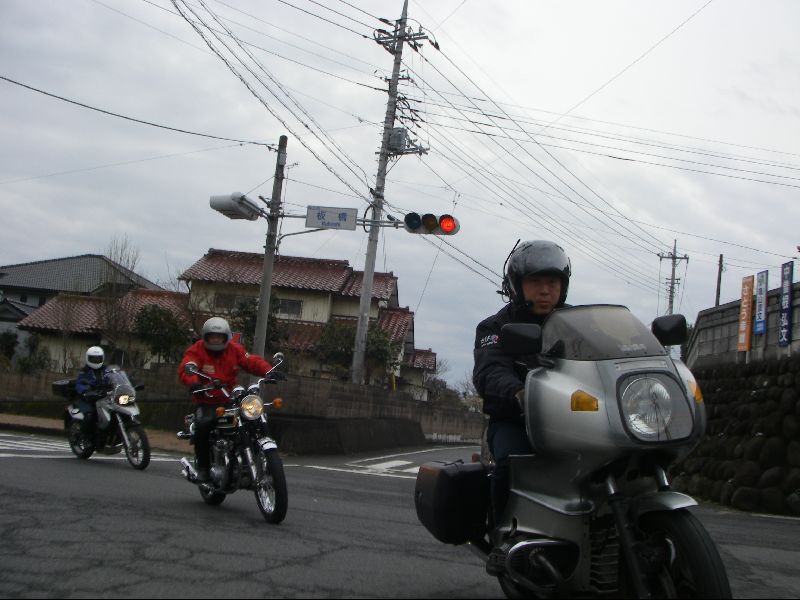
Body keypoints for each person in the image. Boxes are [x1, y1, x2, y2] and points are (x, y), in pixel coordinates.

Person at [472, 240, 571, 528]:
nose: (545, 290)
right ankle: (502, 531)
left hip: (572, 419)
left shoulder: (575, 324)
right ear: (517, 285)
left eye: (552, 282)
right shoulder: (495, 327)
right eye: (536, 282)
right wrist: (519, 392)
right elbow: (490, 370)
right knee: (511, 462)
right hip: (516, 420)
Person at [178, 317, 273, 483]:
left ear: (226, 337)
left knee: (254, 418)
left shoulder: (234, 349)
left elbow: (251, 361)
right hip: (207, 400)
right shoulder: (197, 350)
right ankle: (203, 468)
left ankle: (258, 458)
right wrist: (193, 382)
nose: (216, 340)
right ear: (205, 337)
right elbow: (187, 365)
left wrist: (269, 371)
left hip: (229, 398)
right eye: (212, 336)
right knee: (203, 426)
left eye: (219, 337)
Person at [74, 346, 111, 433]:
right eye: (93, 359)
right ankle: (85, 436)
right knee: (89, 415)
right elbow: (79, 383)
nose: (96, 361)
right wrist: (86, 390)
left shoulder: (106, 370)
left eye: (98, 359)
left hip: (103, 398)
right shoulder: (85, 371)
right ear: (88, 358)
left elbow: (113, 377)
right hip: (87, 399)